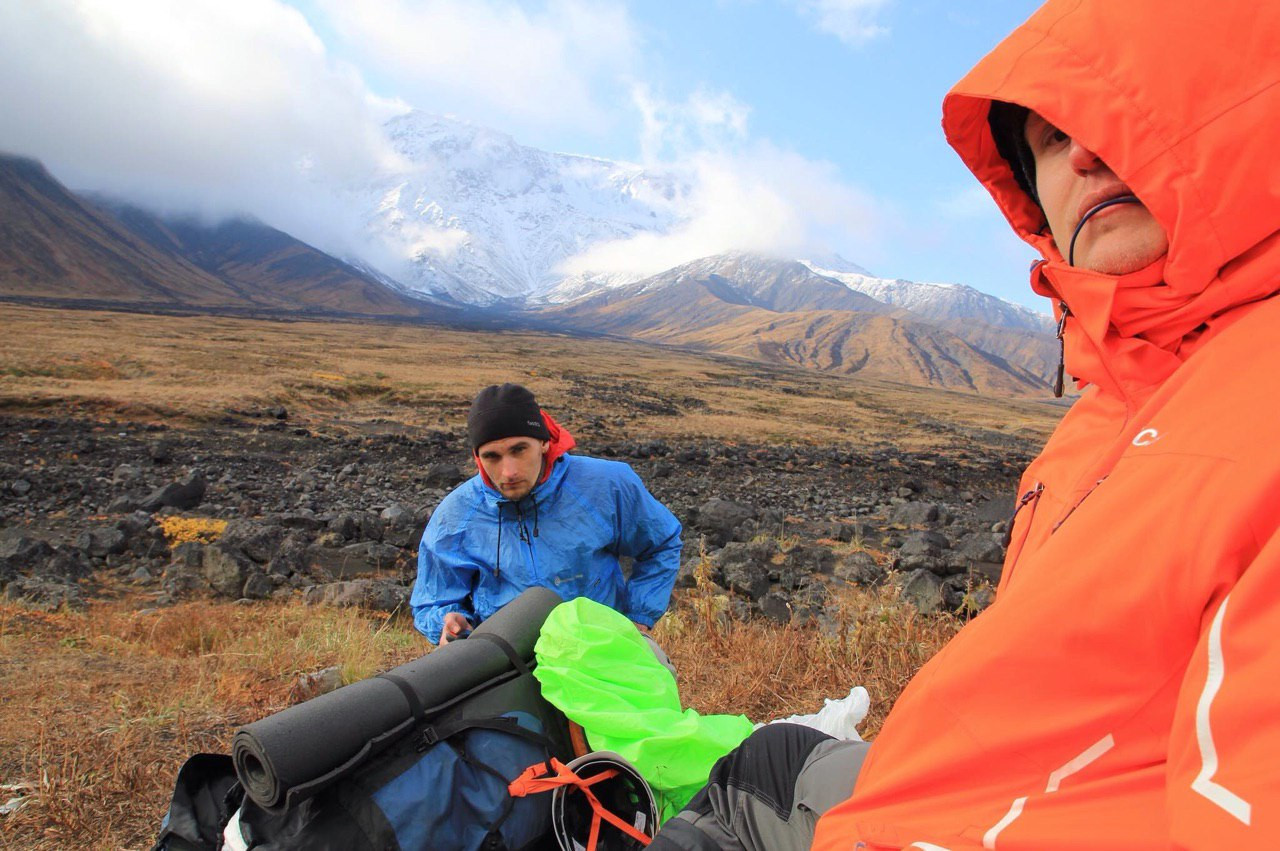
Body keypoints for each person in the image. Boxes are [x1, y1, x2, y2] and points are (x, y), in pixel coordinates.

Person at [651, 0, 1280, 847]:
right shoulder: (1098, 419)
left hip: (971, 823)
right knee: (763, 760)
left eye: (1122, 111)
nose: (1083, 153)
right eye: (1049, 139)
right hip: (953, 788)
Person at [410, 383, 683, 645]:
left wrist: (638, 619)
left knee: (659, 676)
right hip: (505, 660)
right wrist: (446, 624)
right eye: (492, 456)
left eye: (519, 450)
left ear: (543, 442)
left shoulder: (605, 485)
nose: (509, 472)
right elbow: (433, 601)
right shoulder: (457, 514)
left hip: (598, 647)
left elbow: (661, 544)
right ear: (477, 457)